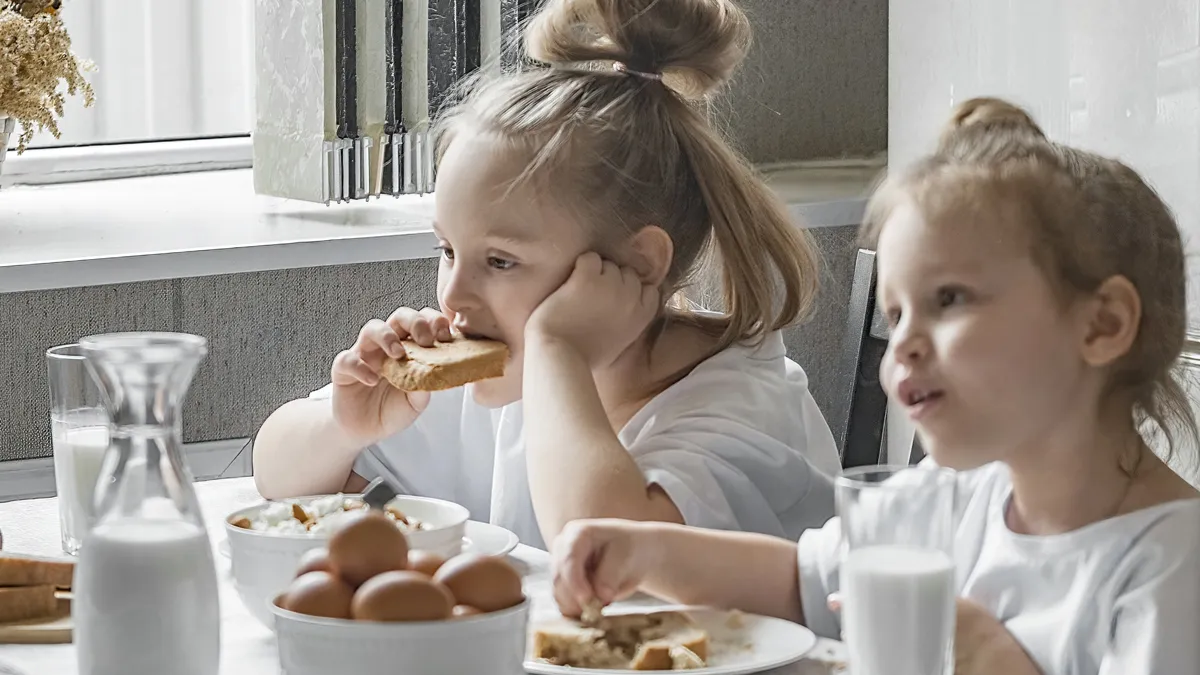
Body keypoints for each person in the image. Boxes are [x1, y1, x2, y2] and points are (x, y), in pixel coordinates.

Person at [549, 98, 1200, 675]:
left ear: (1102, 324)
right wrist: (643, 548)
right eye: (897, 314)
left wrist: (998, 662)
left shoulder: (1173, 568)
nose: (905, 344)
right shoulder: (949, 500)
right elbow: (793, 582)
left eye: (949, 299)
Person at [252, 0, 841, 550]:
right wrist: (346, 427)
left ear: (637, 264)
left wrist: (559, 347)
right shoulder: (512, 368)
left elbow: (610, 556)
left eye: (501, 261)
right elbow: (277, 474)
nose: (454, 295)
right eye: (449, 250)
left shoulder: (740, 411)